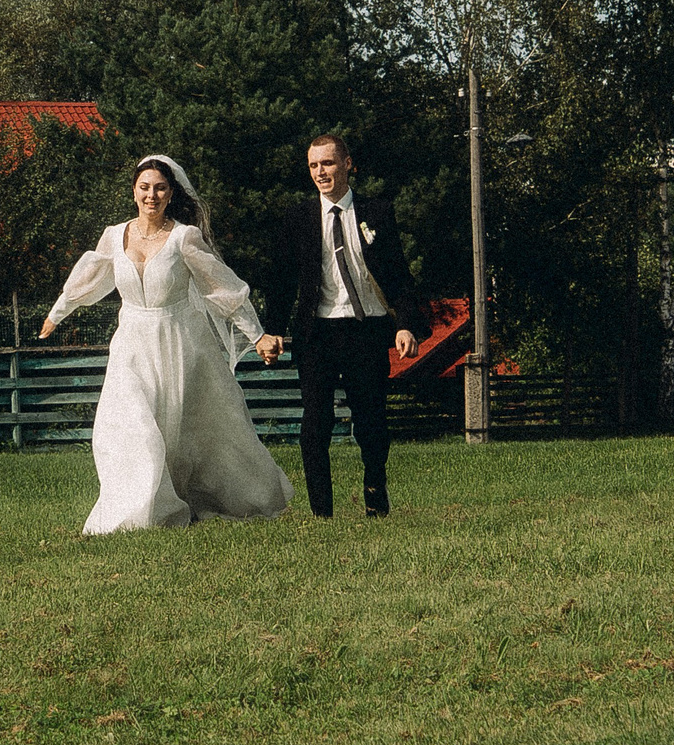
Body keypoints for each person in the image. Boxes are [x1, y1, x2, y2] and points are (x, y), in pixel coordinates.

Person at [40, 155, 293, 534]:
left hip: (180, 345)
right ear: (134, 192)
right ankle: (136, 512)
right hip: (131, 346)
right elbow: (87, 279)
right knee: (130, 424)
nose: (151, 195)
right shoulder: (114, 236)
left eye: (159, 188)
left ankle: (211, 496)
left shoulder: (184, 238)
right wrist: (56, 314)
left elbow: (222, 289)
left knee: (192, 432)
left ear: (171, 193)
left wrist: (256, 335)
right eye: (144, 187)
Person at [265, 131, 417, 518]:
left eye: (328, 163)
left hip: (366, 329)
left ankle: (375, 494)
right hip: (317, 333)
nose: (321, 172)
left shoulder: (377, 211)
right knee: (314, 426)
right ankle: (322, 513)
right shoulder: (298, 217)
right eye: (314, 165)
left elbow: (398, 274)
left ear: (348, 164)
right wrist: (271, 330)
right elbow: (281, 279)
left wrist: (406, 324)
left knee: (371, 423)